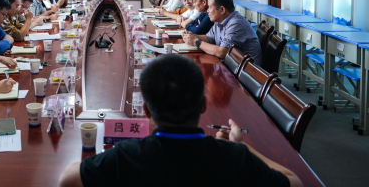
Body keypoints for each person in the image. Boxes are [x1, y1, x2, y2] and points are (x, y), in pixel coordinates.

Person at [59, 54, 301, 187]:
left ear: (146, 111)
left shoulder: (126, 156)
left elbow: (68, 179)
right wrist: (244, 147)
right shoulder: (235, 157)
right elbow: (295, 182)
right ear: (203, 105)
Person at [183, 0, 262, 65]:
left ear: (222, 10)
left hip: (246, 72)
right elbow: (209, 38)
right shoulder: (219, 21)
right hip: (231, 66)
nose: (207, 11)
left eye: (210, 7)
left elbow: (222, 52)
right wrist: (193, 36)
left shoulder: (237, 23)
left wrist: (197, 42)